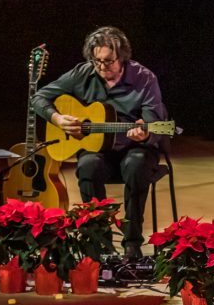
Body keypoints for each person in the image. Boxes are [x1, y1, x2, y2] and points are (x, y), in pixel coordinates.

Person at [31, 27, 168, 259]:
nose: (103, 66)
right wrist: (58, 119)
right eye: (97, 61)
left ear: (122, 57)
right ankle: (99, 242)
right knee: (87, 166)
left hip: (135, 148)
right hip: (98, 151)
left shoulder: (144, 78)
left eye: (109, 61)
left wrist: (144, 133)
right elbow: (39, 97)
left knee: (136, 165)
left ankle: (132, 241)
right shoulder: (82, 73)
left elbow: (154, 120)